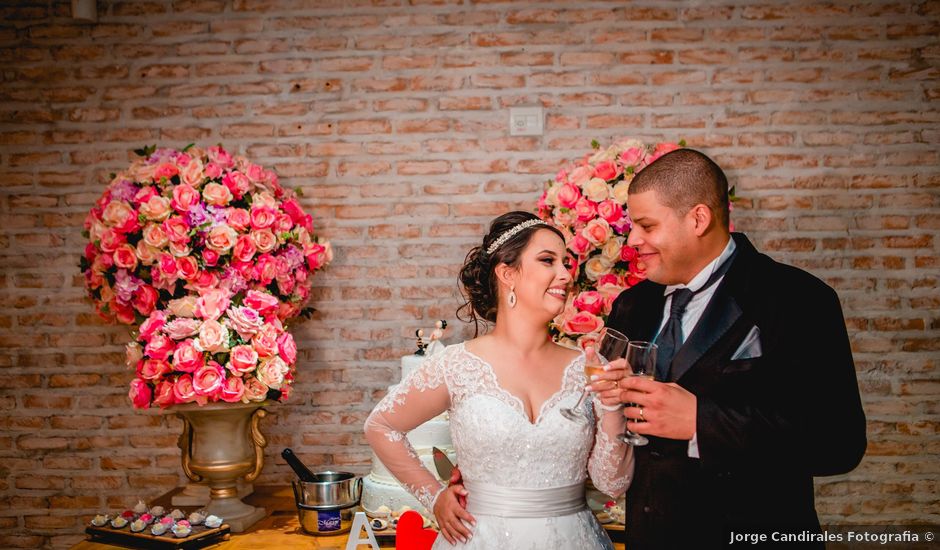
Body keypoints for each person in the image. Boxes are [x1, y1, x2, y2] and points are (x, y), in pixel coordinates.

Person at [593, 149, 867, 548]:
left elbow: (837, 442)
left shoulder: (799, 299)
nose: (633, 240)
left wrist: (699, 422)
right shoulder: (632, 305)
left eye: (646, 225)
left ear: (699, 219)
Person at [365, 211, 634, 548]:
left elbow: (613, 484)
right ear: (508, 273)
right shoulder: (457, 364)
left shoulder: (588, 368)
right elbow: (380, 425)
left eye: (566, 263)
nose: (565, 274)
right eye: (548, 260)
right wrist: (435, 497)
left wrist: (613, 405)